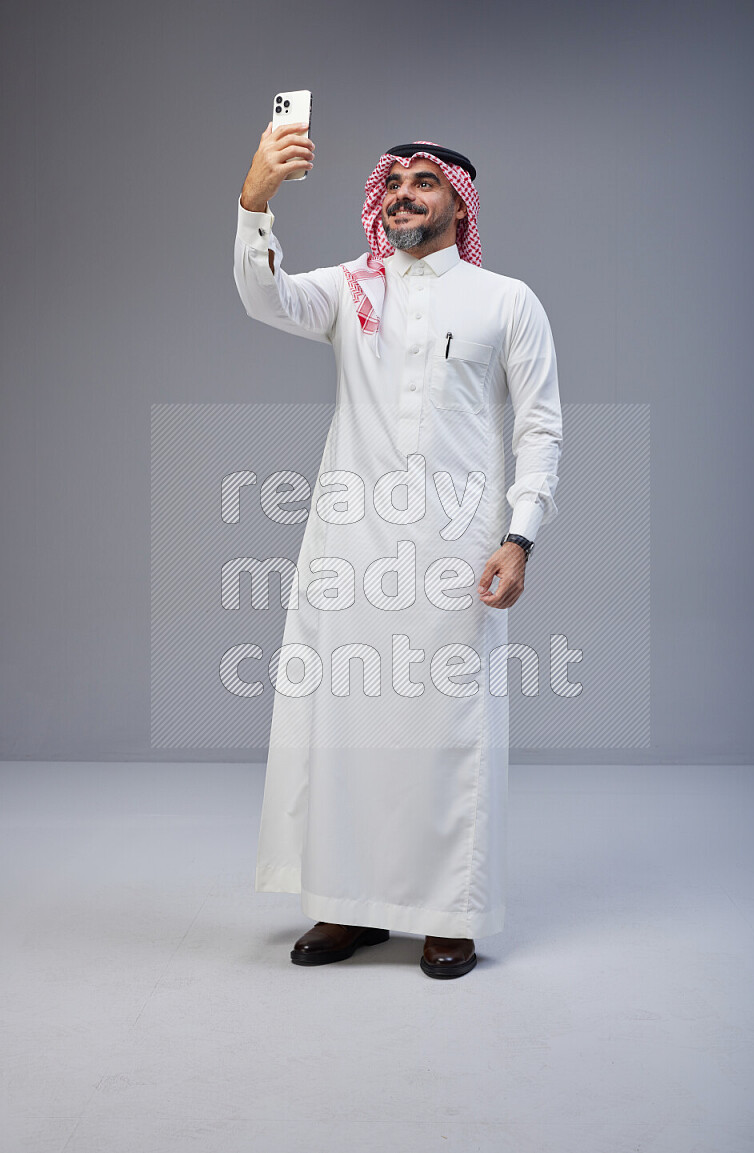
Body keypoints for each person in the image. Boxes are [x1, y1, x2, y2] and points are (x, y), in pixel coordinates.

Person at [233, 121, 562, 979]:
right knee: (346, 728)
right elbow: (265, 299)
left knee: (447, 733)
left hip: (458, 554)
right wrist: (255, 202)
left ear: (460, 202)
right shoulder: (353, 289)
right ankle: (347, 908)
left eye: (424, 184)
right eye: (393, 185)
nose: (403, 196)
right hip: (352, 549)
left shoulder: (505, 301)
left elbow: (540, 427)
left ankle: (448, 914)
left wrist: (519, 536)